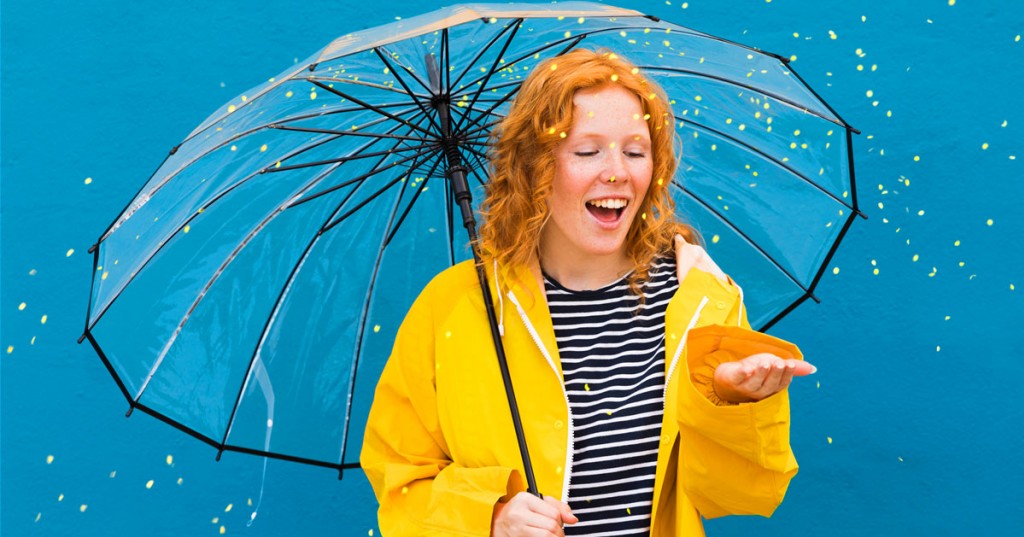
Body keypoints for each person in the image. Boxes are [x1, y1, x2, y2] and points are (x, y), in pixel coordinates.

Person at [361, 48, 815, 536]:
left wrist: (728, 401)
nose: (617, 171)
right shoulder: (451, 307)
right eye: (587, 151)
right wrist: (488, 517)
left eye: (636, 151)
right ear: (536, 167)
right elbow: (400, 479)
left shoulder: (702, 300)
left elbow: (743, 496)